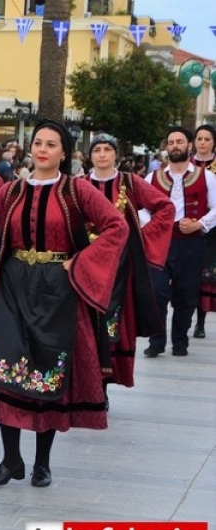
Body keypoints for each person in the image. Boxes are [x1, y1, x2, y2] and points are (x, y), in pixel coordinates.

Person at [0, 120, 129, 488]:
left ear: (64, 152)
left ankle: (42, 464)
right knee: (3, 368)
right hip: (13, 286)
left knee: (46, 370)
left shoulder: (77, 191)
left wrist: (82, 261)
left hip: (57, 292)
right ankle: (10, 461)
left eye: (51, 144)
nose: (42, 149)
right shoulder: (10, 190)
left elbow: (117, 227)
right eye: (37, 142)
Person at [85, 133, 174, 402]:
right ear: (90, 156)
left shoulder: (130, 183)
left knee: (112, 327)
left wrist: (141, 237)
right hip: (85, 267)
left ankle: (103, 388)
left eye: (107, 150)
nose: (102, 154)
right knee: (84, 326)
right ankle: (87, 386)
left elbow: (165, 207)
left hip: (120, 269)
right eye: (97, 150)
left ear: (115, 154)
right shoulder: (79, 185)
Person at [144, 126, 216, 357]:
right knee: (157, 292)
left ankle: (180, 340)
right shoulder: (152, 177)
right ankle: (156, 341)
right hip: (160, 244)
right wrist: (155, 223)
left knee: (186, 295)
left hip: (192, 243)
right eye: (171, 142)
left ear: (189, 146)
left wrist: (200, 223)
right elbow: (140, 209)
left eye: (180, 142)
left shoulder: (206, 176)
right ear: (167, 148)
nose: (175, 146)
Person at [191, 124, 216, 338]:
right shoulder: (186, 164)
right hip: (187, 224)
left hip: (212, 228)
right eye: (200, 138)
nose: (203, 143)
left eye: (207, 139)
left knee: (205, 275)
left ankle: (200, 323)